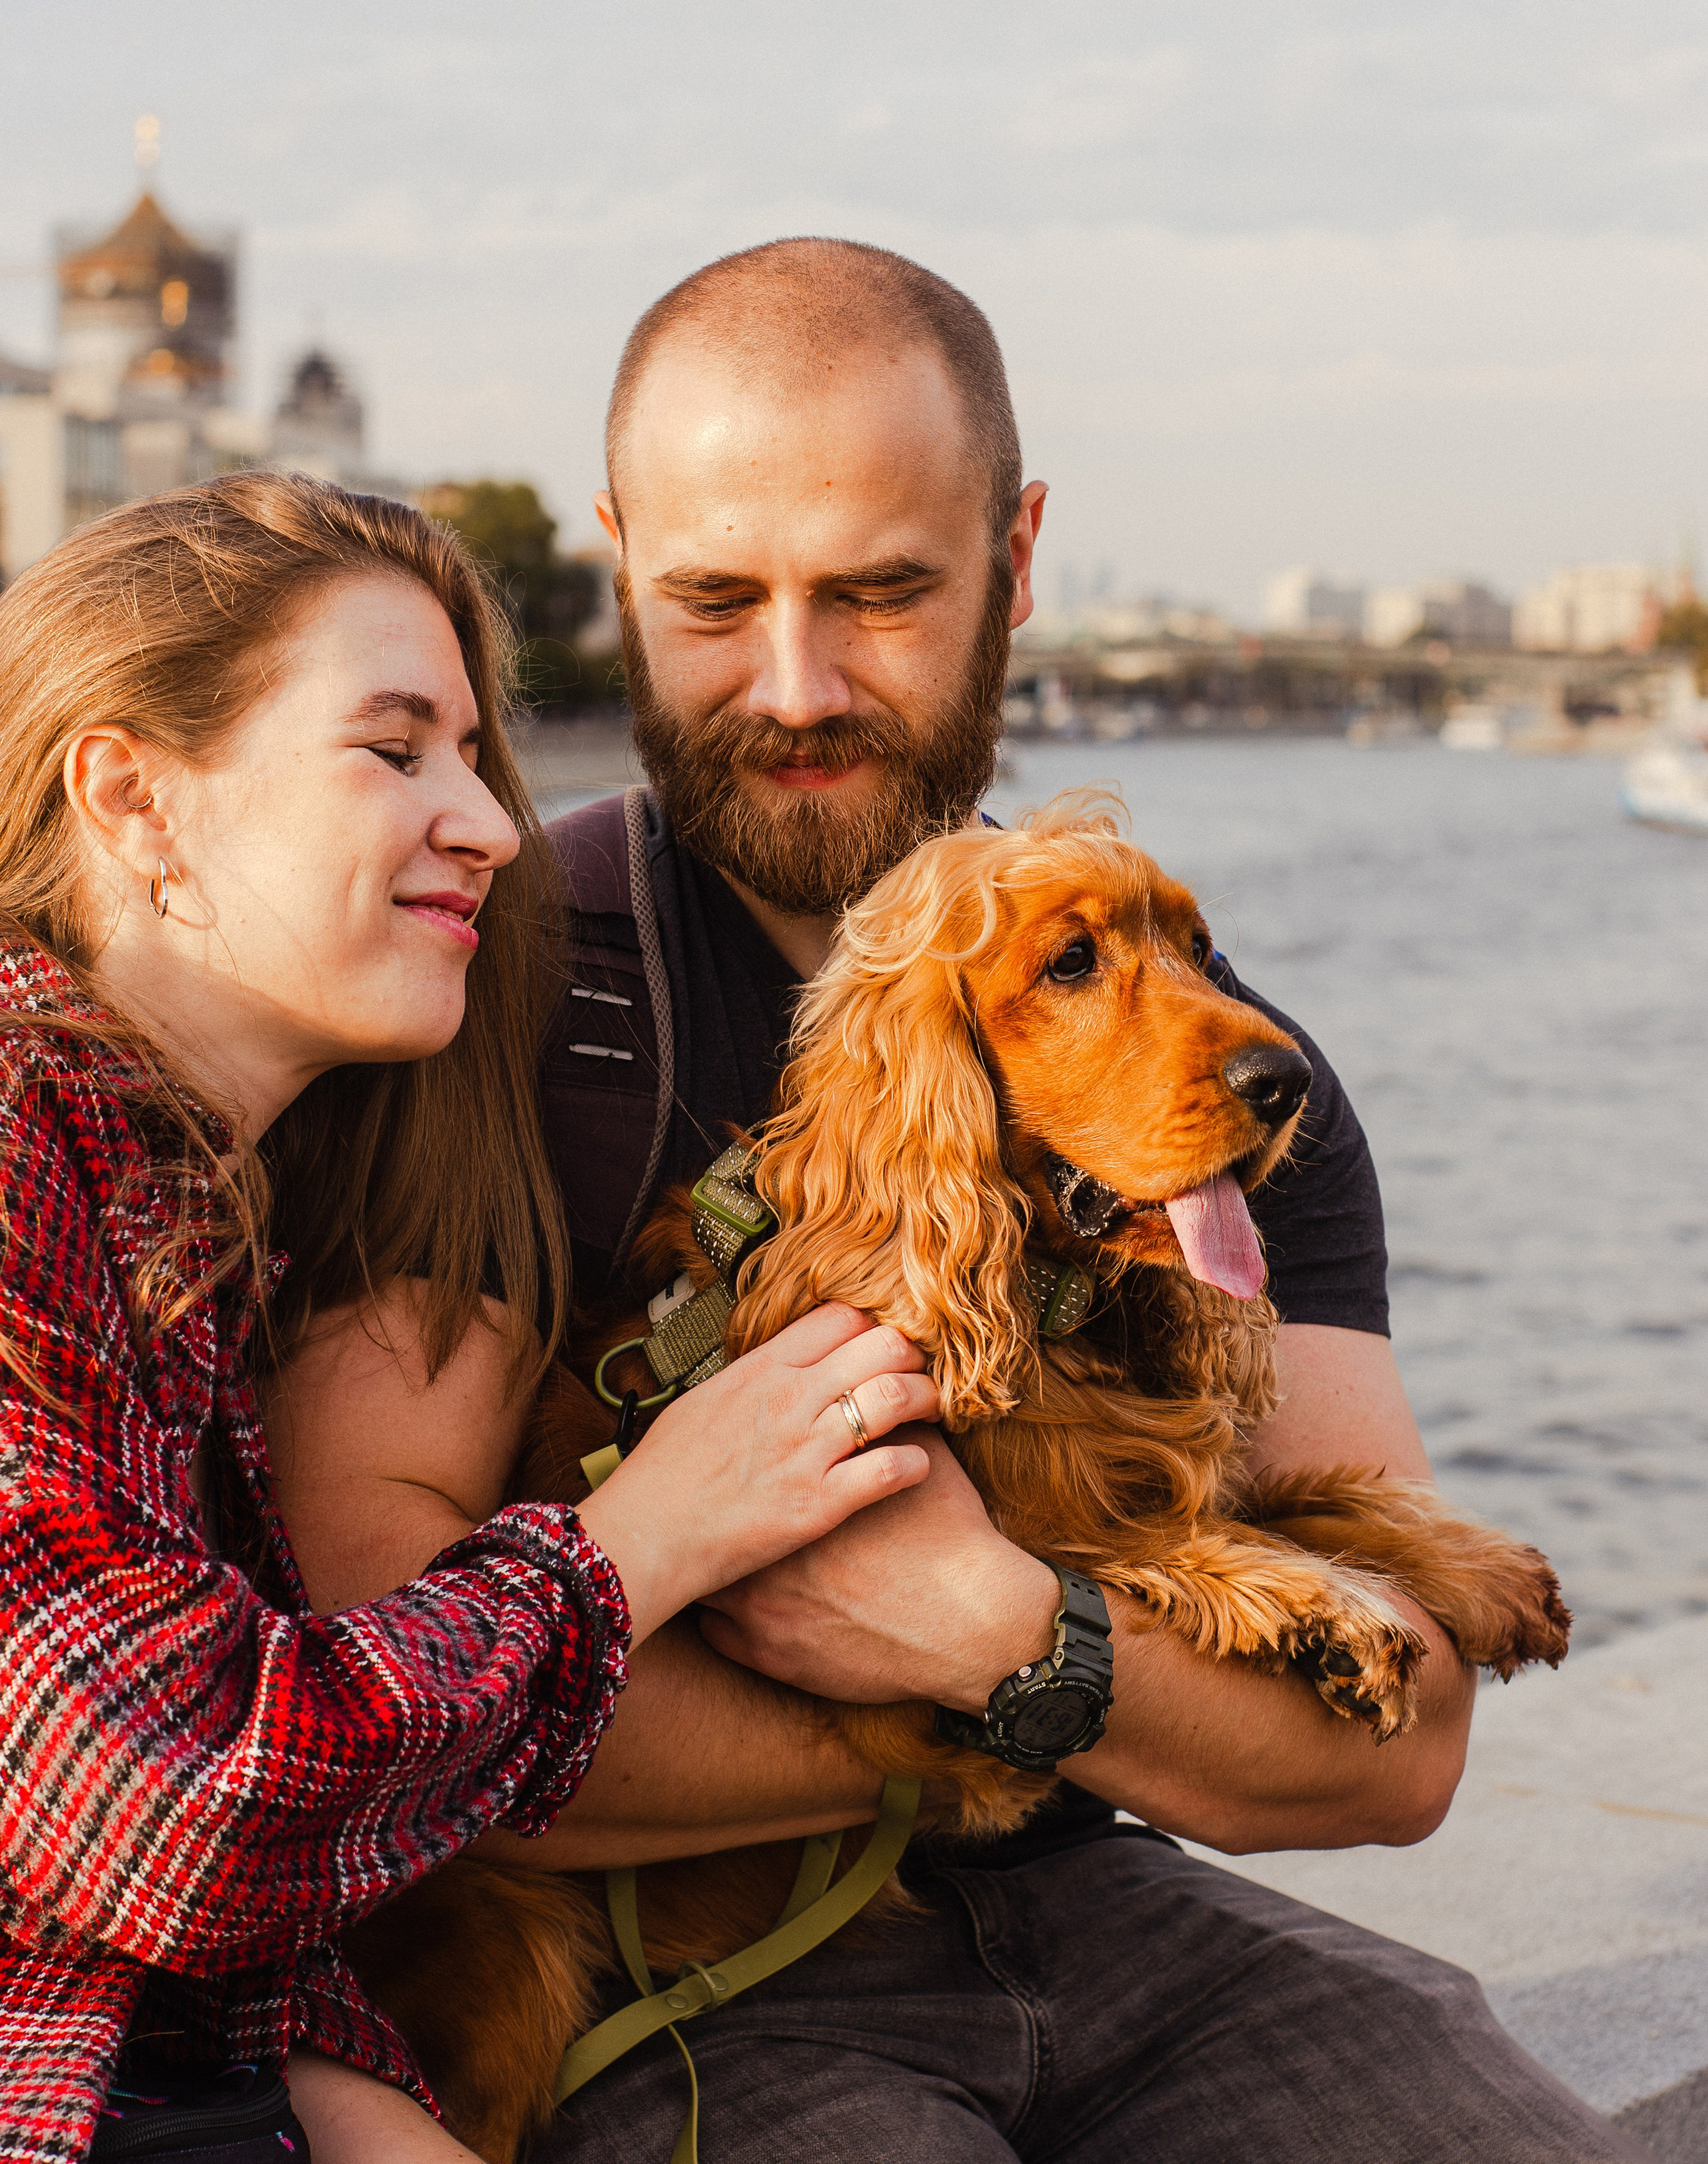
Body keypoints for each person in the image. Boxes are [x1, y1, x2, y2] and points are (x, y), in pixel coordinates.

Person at [274, 241, 1641, 2163]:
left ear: (1018, 554)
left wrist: (996, 1637)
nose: (799, 684)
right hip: (677, 1970)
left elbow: (1396, 1738)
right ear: (613, 561)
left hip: (1106, 1909)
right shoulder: (483, 991)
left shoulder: (1216, 1074)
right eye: (712, 600)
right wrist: (991, 1702)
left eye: (883, 592)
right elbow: (380, 1683)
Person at [0, 473, 939, 2164]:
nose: (498, 826)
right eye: (393, 748)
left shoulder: (192, 1206)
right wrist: (636, 1541)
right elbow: (173, 1808)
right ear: (132, 798)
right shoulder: (9, 1136)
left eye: (476, 758)